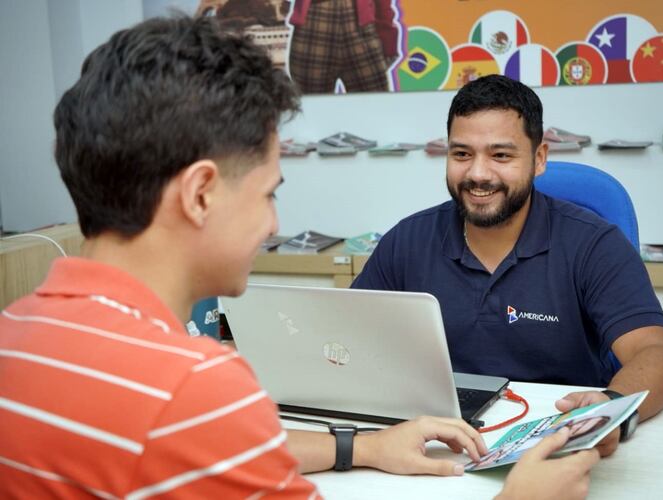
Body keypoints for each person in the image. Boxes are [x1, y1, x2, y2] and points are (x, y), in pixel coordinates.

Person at [0, 16, 598, 499]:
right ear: (201, 194)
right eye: (268, 193)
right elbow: (206, 427)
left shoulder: (14, 334)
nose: (274, 224)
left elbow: (217, 445)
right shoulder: (195, 390)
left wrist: (362, 446)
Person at [352, 74, 663, 456]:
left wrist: (609, 411)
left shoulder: (594, 243)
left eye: (501, 155)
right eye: (462, 154)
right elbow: (346, 339)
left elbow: (657, 354)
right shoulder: (407, 240)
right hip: (436, 442)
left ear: (539, 159)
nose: (478, 174)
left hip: (557, 441)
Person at [287, 0, 399, 93]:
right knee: (309, 107)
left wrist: (388, 37)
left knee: (375, 106)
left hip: (360, 25)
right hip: (314, 22)